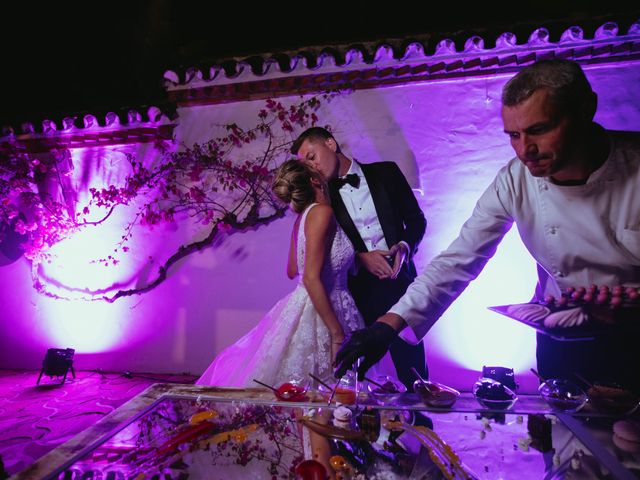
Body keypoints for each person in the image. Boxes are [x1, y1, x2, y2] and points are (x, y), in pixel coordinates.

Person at [335, 59, 640, 394]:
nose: (525, 150)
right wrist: (387, 326)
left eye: (539, 130)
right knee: (570, 441)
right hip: (561, 339)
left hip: (634, 338)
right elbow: (459, 259)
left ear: (585, 110)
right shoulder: (514, 180)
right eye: (514, 135)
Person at [196, 160, 365, 387]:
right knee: (326, 390)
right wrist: (336, 333)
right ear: (315, 180)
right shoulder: (323, 213)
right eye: (315, 167)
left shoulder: (302, 218)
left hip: (304, 302)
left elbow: (292, 270)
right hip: (328, 307)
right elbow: (309, 277)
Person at [292, 127, 428, 390]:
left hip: (402, 290)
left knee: (415, 376)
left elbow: (416, 220)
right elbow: (326, 250)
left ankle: (423, 427)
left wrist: (404, 246)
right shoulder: (323, 199)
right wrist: (359, 259)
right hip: (356, 299)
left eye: (311, 156)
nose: (311, 167)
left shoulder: (386, 172)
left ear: (330, 144)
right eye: (305, 163)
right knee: (357, 382)